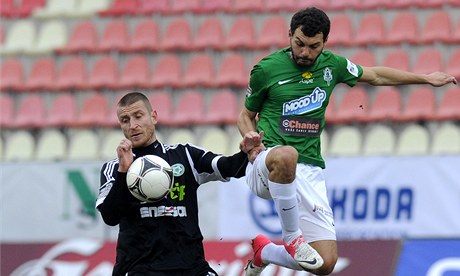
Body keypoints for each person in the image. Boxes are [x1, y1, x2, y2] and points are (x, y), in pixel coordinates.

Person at [238, 7, 458, 276]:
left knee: (324, 263)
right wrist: (250, 137)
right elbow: (245, 116)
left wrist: (425, 79)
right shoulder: (266, 69)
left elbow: (376, 75)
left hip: (309, 171)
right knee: (287, 155)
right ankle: (293, 238)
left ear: (324, 43)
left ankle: (266, 252)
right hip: (267, 162)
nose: (305, 52)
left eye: (313, 46)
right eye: (299, 44)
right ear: (289, 36)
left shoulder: (333, 65)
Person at [96, 92, 262, 276]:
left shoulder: (185, 155)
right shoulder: (114, 167)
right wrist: (124, 172)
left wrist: (248, 152)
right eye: (125, 120)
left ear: (154, 117)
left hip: (191, 268)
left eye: (138, 116)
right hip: (139, 269)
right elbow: (110, 217)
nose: (133, 125)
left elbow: (228, 167)